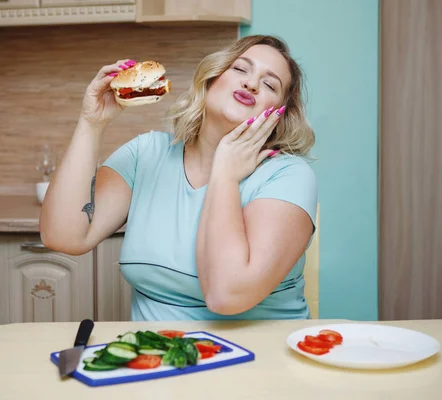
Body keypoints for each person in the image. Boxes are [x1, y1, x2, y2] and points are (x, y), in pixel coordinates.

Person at [39, 35, 318, 321]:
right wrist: (91, 122)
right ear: (211, 78)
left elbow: (226, 296)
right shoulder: (146, 154)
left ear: (279, 115)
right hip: (156, 356)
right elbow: (63, 236)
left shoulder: (288, 176)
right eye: (239, 69)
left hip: (259, 359)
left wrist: (224, 171)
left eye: (270, 84)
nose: (251, 84)